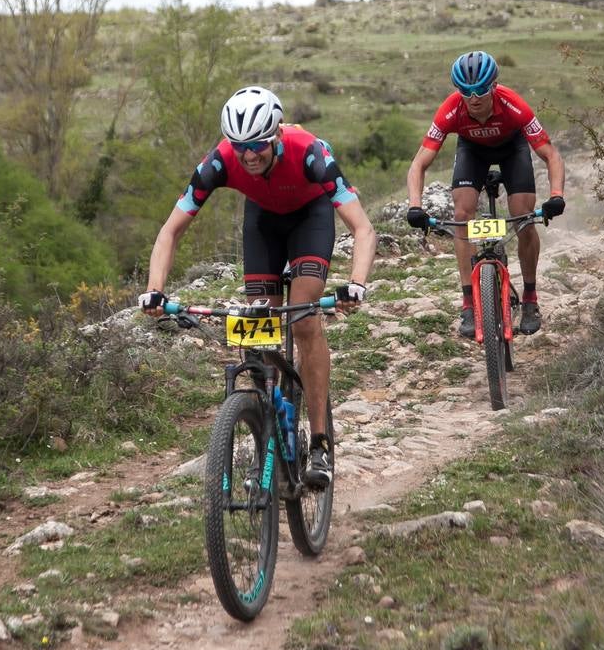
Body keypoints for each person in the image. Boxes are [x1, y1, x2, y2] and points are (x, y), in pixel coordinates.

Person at [140, 85, 377, 489]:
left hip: (310, 219)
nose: (249, 155)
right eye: (240, 146)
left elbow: (363, 228)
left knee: (303, 321)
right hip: (263, 224)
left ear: (278, 134)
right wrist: (155, 289)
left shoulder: (311, 154)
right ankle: (266, 432)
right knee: (256, 328)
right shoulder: (220, 161)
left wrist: (355, 284)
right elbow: (171, 230)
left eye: (258, 145)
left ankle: (319, 443)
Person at [404, 51, 565, 338]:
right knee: (462, 214)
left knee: (522, 216)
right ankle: (469, 303)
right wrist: (415, 206)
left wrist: (556, 195)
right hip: (472, 151)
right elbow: (419, 163)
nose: (473, 97)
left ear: (494, 86)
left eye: (480, 90)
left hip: (512, 149)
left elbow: (550, 154)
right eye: (465, 91)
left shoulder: (514, 106)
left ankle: (530, 298)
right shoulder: (451, 110)